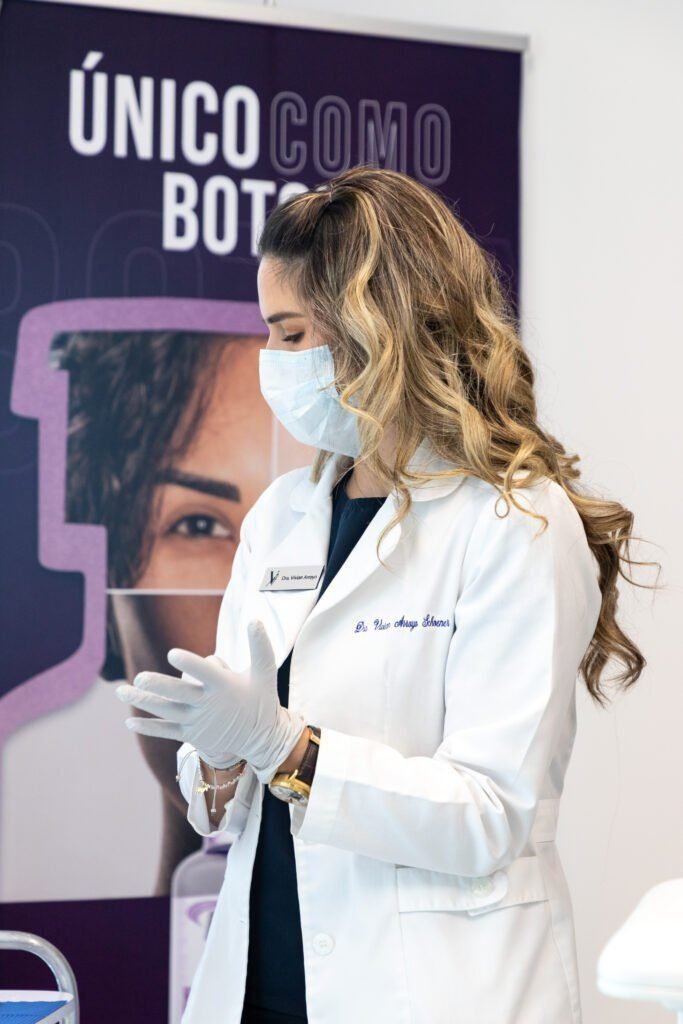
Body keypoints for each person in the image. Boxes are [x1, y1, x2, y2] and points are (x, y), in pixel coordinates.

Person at [116, 166, 658, 1024]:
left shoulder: (515, 521)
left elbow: (490, 813)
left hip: (437, 989)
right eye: (269, 333)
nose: (274, 362)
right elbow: (224, 803)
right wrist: (217, 754)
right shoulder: (284, 517)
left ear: (382, 328)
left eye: (293, 334)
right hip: (264, 976)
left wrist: (286, 748)